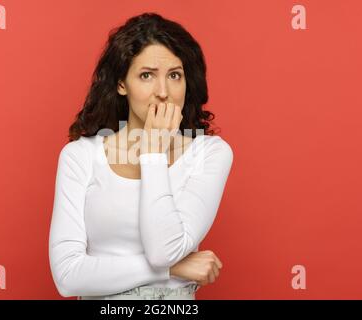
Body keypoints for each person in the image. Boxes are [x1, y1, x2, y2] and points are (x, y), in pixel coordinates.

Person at [48, 12, 233, 300]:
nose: (163, 92)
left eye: (175, 75)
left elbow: (164, 251)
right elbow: (68, 277)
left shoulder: (209, 153)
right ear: (122, 84)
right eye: (146, 75)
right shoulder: (80, 156)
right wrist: (173, 270)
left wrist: (152, 153)